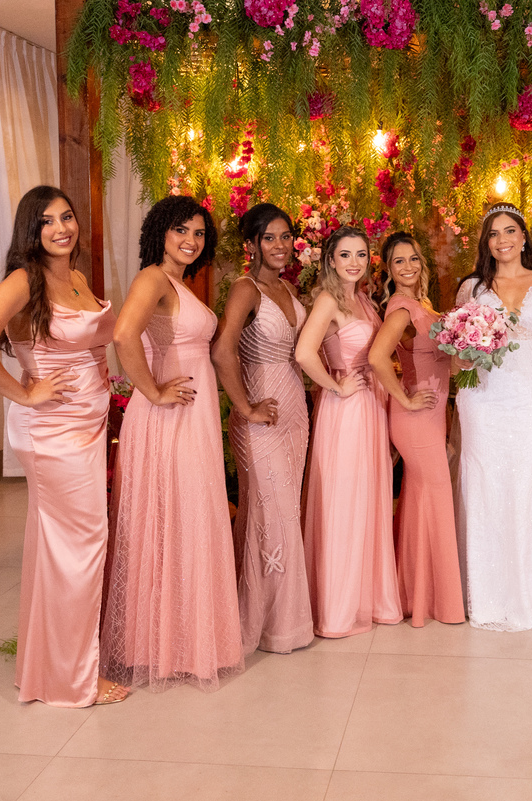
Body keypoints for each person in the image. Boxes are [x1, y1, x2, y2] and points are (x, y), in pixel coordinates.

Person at [0, 186, 127, 706]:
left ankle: (50, 668)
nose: (61, 228)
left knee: (60, 549)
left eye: (67, 217)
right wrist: (25, 392)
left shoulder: (74, 277)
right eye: (48, 221)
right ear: (31, 230)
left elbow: (89, 344)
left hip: (87, 425)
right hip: (54, 431)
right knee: (81, 547)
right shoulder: (23, 280)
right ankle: (74, 681)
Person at [102, 195, 245, 692]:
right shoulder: (153, 278)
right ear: (160, 232)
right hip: (168, 418)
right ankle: (156, 647)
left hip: (191, 416)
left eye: (199, 233)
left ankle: (180, 642)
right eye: (181, 229)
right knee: (172, 519)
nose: (191, 240)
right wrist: (153, 391)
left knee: (188, 518)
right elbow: (124, 336)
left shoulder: (179, 283)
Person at [454, 204, 532, 631]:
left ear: (523, 237)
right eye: (494, 233)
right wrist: (468, 354)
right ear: (487, 243)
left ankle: (528, 594)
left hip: (528, 397)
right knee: (484, 484)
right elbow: (457, 350)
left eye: (510, 231)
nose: (502, 240)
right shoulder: (472, 288)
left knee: (525, 482)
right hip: (483, 398)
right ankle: (485, 595)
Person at [212, 203, 313, 654]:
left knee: (286, 508)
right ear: (251, 244)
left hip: (294, 410)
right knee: (271, 511)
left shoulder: (288, 288)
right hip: (262, 411)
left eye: (286, 236)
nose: (280, 245)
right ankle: (268, 623)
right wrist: (245, 407)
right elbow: (222, 351)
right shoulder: (245, 289)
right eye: (269, 237)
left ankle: (281, 616)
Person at [297, 227, 401, 638]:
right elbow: (304, 353)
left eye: (361, 254)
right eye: (345, 255)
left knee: (368, 498)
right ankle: (338, 608)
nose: (354, 262)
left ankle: (368, 598)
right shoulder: (328, 299)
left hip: (370, 406)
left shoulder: (362, 299)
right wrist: (335, 385)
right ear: (331, 260)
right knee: (345, 500)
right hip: (346, 409)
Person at [368, 232, 465, 627]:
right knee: (436, 497)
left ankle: (414, 595)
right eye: (398, 261)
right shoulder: (402, 309)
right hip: (415, 417)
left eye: (412, 259)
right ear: (388, 271)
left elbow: (441, 362)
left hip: (432, 414)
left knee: (420, 499)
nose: (407, 267)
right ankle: (440, 602)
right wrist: (404, 399)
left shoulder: (423, 306)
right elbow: (377, 356)